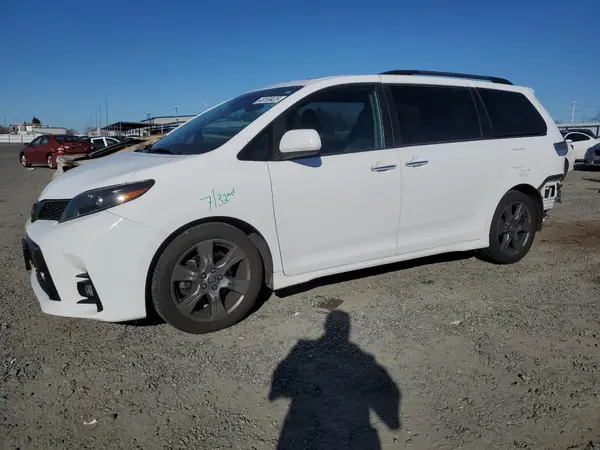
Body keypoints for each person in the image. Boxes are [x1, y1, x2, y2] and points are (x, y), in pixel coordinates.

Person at [269, 311, 400, 449]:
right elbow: (387, 385)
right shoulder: (362, 357)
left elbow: (282, 373)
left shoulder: (302, 348)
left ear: (326, 326)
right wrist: (391, 420)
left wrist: (277, 391)